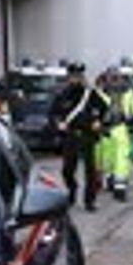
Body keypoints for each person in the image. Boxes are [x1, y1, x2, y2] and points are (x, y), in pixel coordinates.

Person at [49, 62, 109, 211]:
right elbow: (53, 114)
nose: (76, 79)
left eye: (79, 76)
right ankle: (72, 188)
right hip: (71, 135)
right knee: (67, 170)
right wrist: (58, 124)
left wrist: (98, 121)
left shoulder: (90, 94)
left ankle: (89, 201)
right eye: (73, 76)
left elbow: (104, 108)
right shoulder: (62, 94)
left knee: (91, 171)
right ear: (69, 77)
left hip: (88, 134)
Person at [95, 67, 133, 202]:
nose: (115, 80)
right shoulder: (98, 93)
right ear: (106, 78)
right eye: (112, 77)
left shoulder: (128, 92)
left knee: (122, 156)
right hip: (104, 130)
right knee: (107, 157)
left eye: (117, 77)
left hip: (121, 126)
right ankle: (109, 177)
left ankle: (120, 185)